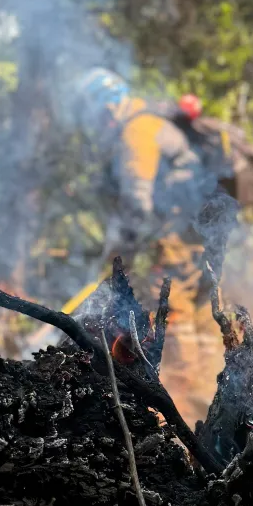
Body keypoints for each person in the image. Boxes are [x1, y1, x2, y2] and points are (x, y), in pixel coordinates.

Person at [74, 68, 230, 425]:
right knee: (194, 305)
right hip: (195, 228)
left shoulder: (137, 131)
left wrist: (118, 256)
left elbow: (137, 202)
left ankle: (189, 399)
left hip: (180, 231)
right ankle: (209, 389)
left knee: (174, 307)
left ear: (106, 106)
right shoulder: (146, 121)